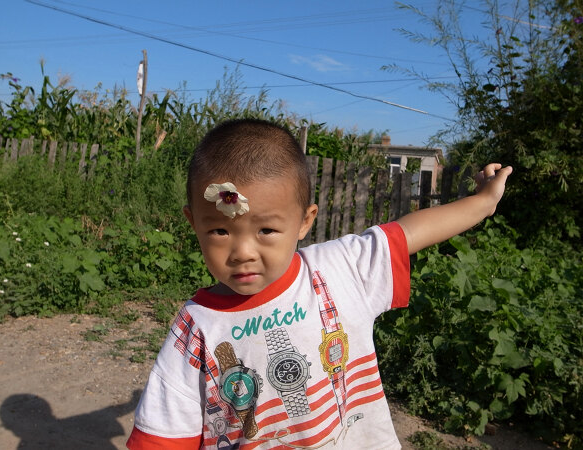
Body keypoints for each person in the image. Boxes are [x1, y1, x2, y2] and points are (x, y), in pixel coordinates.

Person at [126, 118, 512, 450]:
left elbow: (410, 231)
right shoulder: (195, 330)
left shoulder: (338, 269)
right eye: (220, 230)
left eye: (266, 229)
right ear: (194, 223)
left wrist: (483, 202)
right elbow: (162, 435)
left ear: (305, 221)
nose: (243, 251)